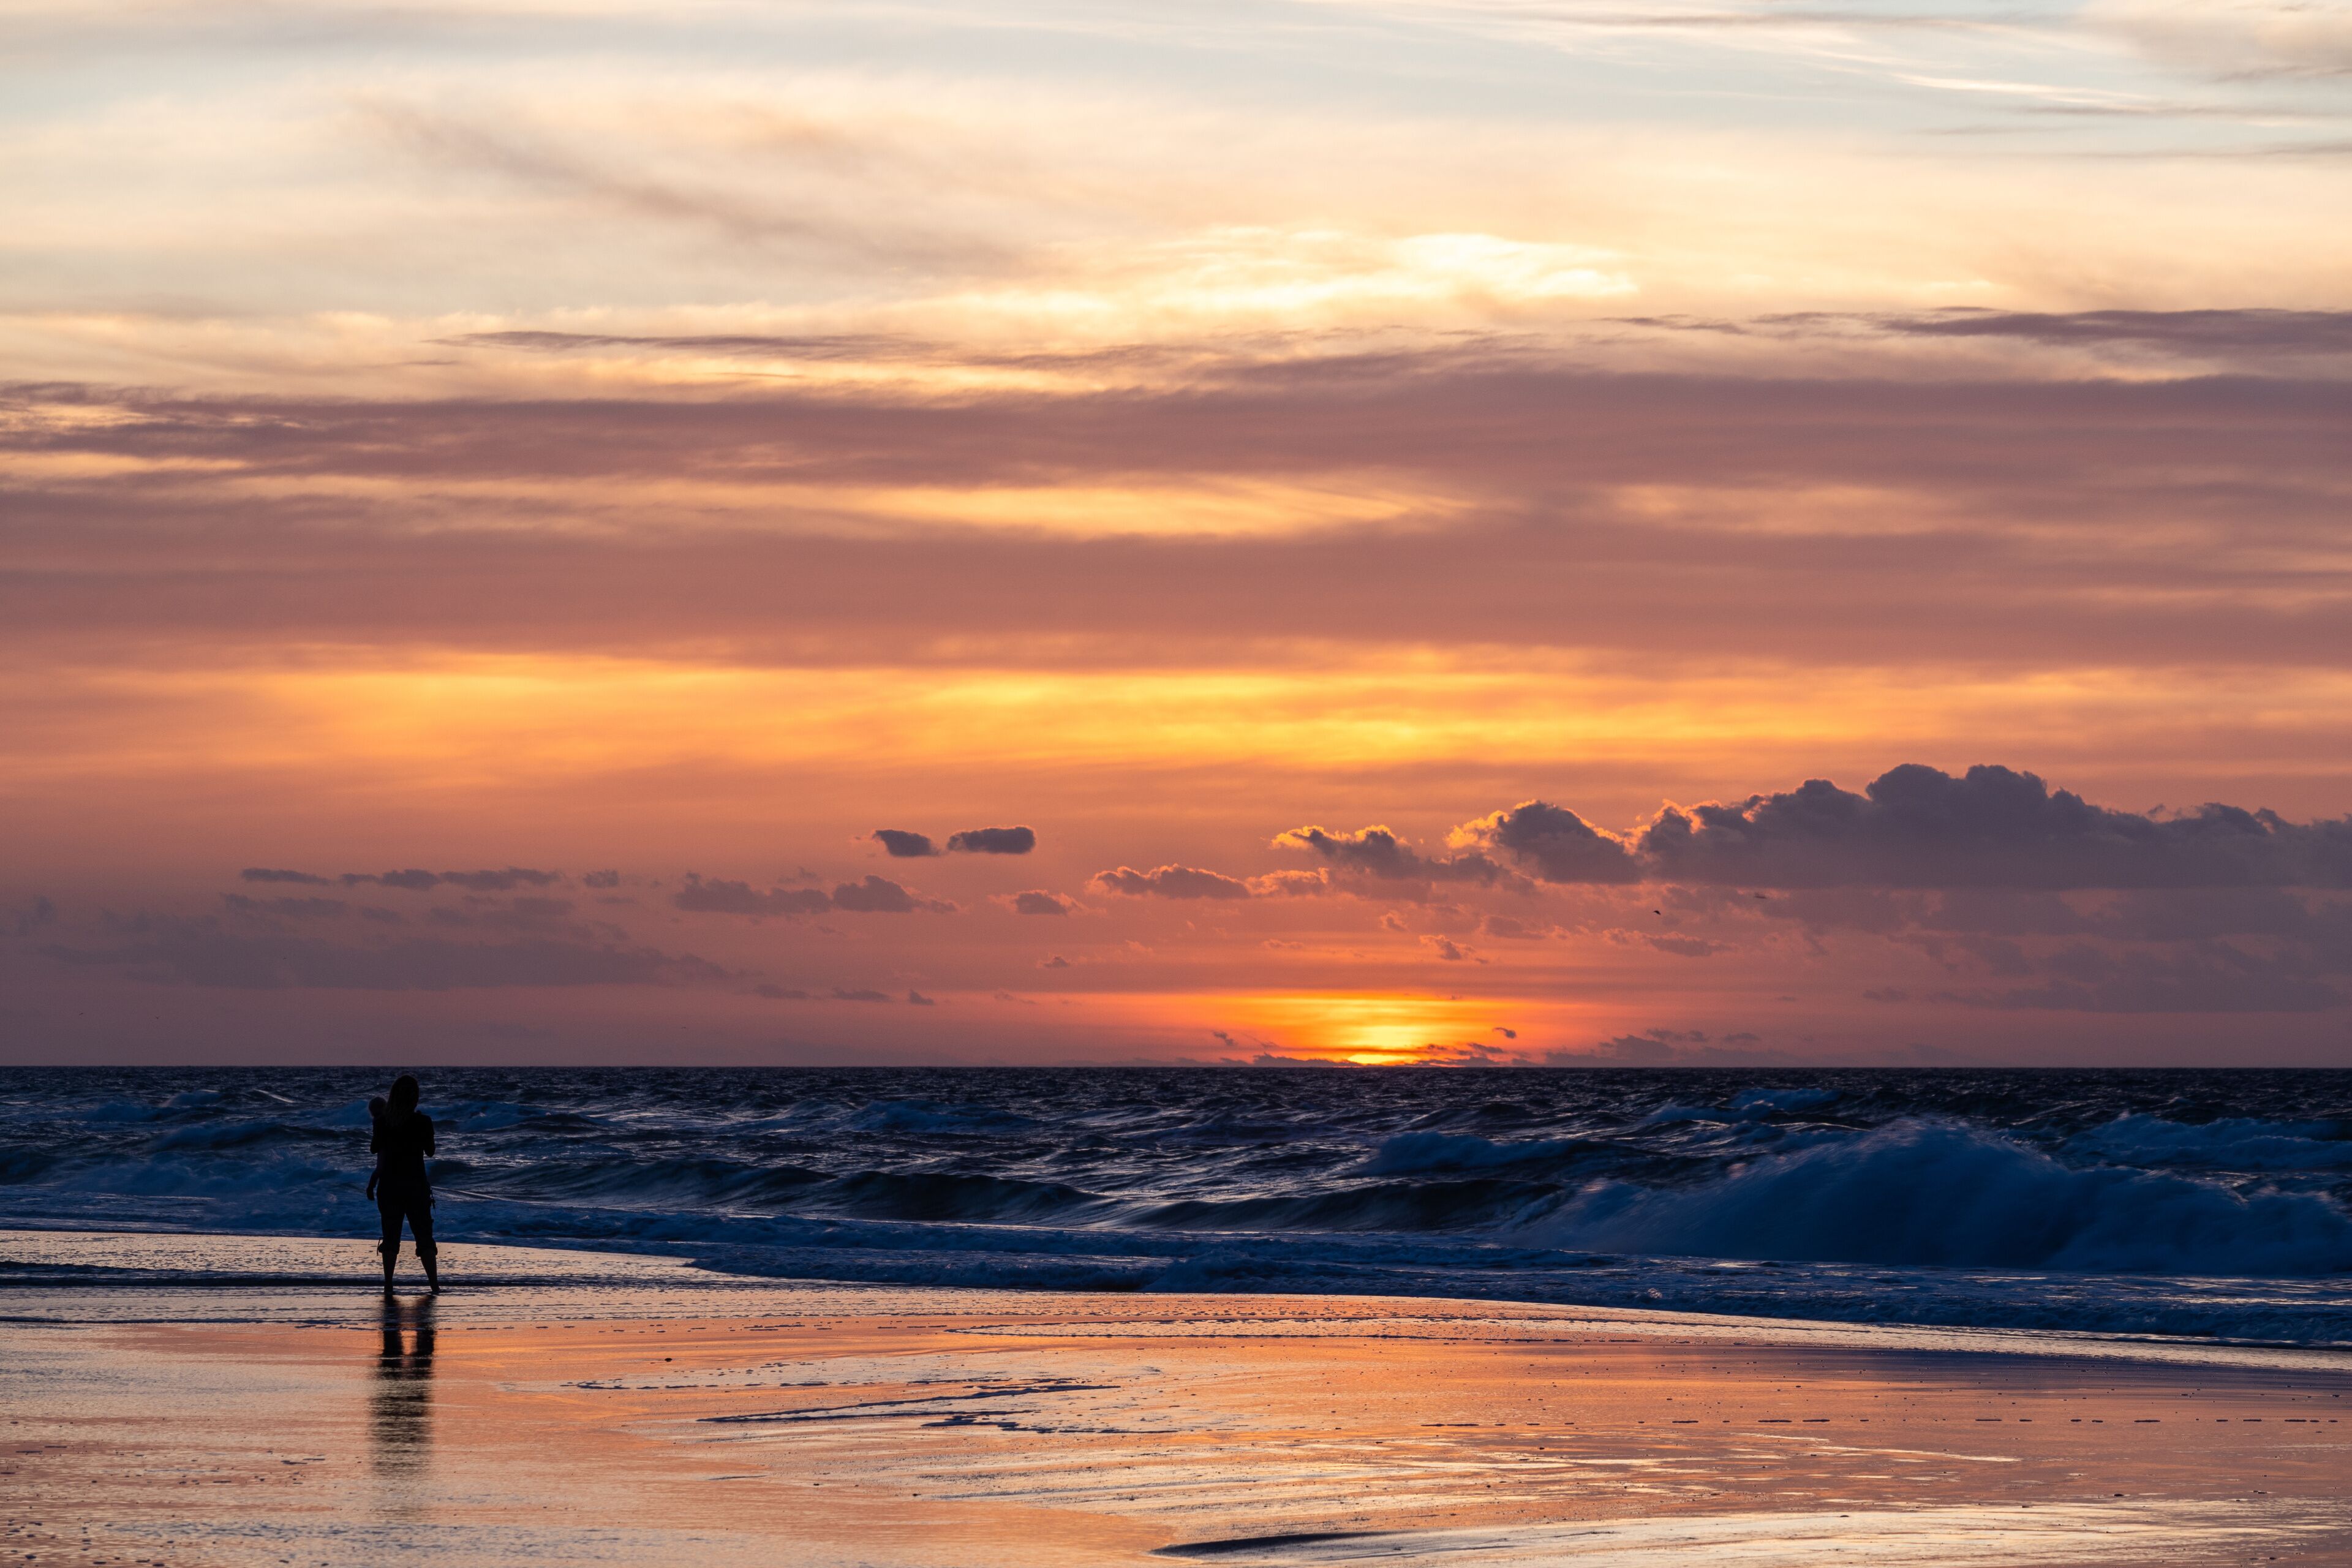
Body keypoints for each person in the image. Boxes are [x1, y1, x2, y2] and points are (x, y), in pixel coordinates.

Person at [365, 1074, 440, 1292]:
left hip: (389, 1187)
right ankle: (434, 1286)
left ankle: (388, 1285)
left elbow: (374, 1148)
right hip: (416, 1186)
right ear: (415, 1098)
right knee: (424, 1237)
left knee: (390, 1237)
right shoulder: (423, 1122)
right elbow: (431, 1151)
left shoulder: (382, 1122)